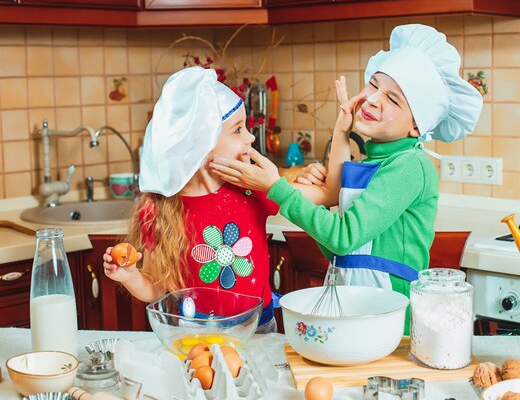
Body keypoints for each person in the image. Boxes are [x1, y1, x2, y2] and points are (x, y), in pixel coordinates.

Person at [210, 24, 483, 334]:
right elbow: (339, 251)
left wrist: (277, 188)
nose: (373, 100)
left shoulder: (410, 166)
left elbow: (343, 236)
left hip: (393, 318)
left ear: (416, 127)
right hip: (358, 307)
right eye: (373, 85)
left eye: (393, 100)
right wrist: (326, 205)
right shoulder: (374, 160)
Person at [102, 66, 316, 332]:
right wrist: (130, 276)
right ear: (200, 145)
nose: (250, 137)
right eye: (238, 130)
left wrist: (311, 176)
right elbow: (157, 287)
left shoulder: (249, 188)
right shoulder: (158, 211)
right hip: (194, 335)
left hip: (257, 330)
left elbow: (315, 200)